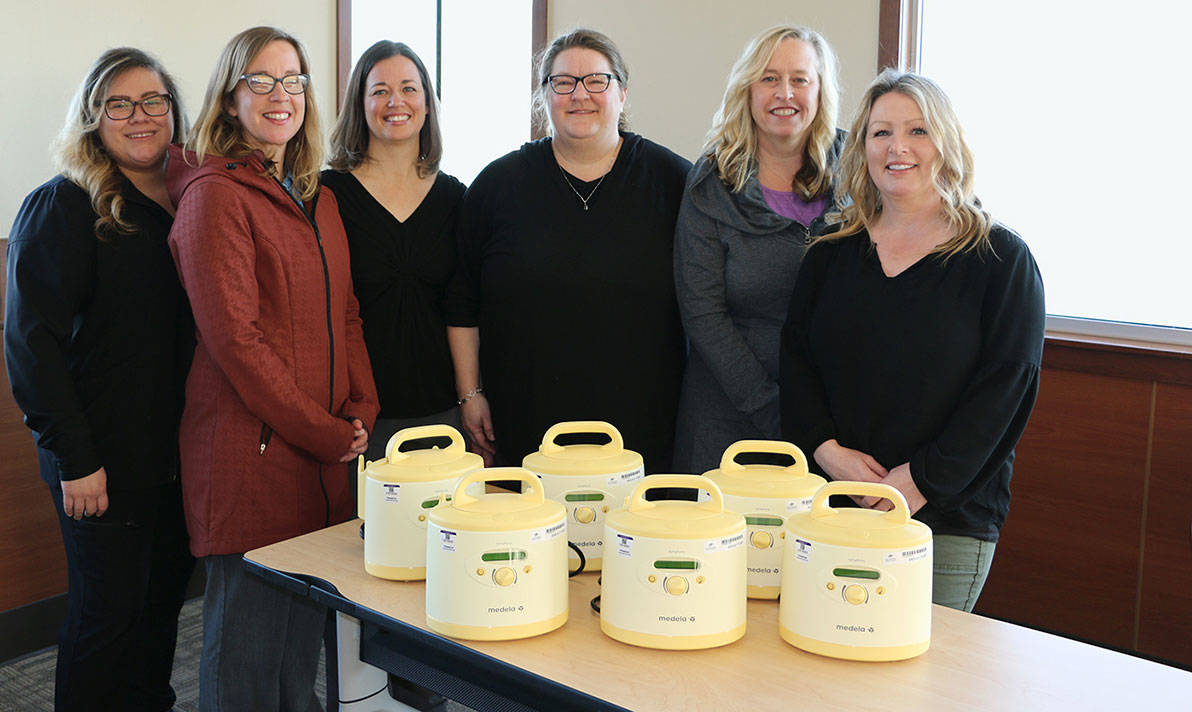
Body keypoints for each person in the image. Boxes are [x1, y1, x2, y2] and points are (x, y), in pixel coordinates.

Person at [166, 26, 378, 711]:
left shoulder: (319, 194)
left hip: (319, 454)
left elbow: (346, 310)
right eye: (260, 80)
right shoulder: (214, 195)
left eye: (293, 80)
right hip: (251, 455)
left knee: (297, 655)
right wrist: (323, 432)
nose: (280, 94)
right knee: (247, 663)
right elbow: (236, 342)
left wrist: (360, 410)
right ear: (230, 99)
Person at [780, 70, 1045, 612]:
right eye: (881, 133)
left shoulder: (1001, 260)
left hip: (945, 520)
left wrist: (918, 481)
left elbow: (1005, 391)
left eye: (918, 131)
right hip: (831, 504)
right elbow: (796, 363)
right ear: (862, 148)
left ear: (945, 143)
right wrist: (830, 455)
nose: (898, 147)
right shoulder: (830, 253)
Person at [3, 48, 194, 711]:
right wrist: (76, 459)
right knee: (105, 620)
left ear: (174, 112)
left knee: (161, 608)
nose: (139, 117)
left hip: (175, 458)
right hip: (99, 464)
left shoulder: (188, 201)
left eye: (154, 102)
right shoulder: (62, 207)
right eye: (120, 103)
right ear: (93, 117)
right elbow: (31, 350)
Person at [447, 28, 691, 470]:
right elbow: (463, 303)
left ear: (622, 93)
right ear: (545, 96)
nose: (580, 95)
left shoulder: (674, 181)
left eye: (597, 80)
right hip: (526, 424)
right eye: (563, 83)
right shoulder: (497, 186)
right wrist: (470, 393)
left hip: (645, 427)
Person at [672, 25, 843, 474]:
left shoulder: (859, 170)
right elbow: (702, 313)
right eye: (768, 78)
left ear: (821, 91)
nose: (784, 93)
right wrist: (775, 410)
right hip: (728, 414)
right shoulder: (712, 181)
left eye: (800, 79)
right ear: (747, 90)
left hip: (835, 419)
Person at [322, 41, 465, 468]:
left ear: (426, 103)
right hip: (356, 419)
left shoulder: (456, 198)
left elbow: (465, 308)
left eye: (408, 88)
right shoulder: (327, 194)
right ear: (360, 105)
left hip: (441, 415)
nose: (395, 101)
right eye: (380, 90)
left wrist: (470, 396)